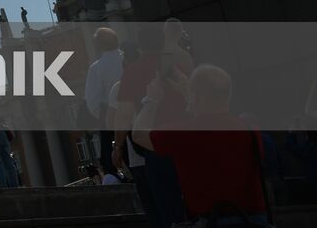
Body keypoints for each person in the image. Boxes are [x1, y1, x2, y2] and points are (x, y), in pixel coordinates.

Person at [135, 65, 270, 226]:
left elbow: (138, 135)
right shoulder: (250, 130)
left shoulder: (184, 133)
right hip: (253, 220)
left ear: (197, 97)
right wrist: (190, 93)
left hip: (210, 220)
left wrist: (152, 100)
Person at [114, 25, 190, 228]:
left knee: (166, 205)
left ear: (140, 46)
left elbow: (124, 115)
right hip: (185, 141)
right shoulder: (177, 68)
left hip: (154, 143)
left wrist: (118, 147)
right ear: (162, 43)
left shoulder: (132, 72)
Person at [85, 27, 124, 178]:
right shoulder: (126, 59)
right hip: (133, 113)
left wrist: (102, 115)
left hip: (109, 116)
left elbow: (92, 100)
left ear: (98, 45)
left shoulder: (96, 68)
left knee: (110, 161)